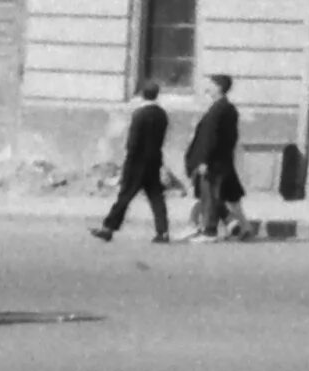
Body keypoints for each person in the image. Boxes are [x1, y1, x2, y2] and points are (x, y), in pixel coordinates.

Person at [91, 80, 175, 244]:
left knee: (125, 195)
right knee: (156, 197)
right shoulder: (162, 115)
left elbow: (133, 143)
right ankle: (163, 231)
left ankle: (108, 228)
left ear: (143, 94)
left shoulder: (139, 115)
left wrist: (127, 164)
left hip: (137, 162)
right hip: (154, 160)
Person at [185, 73, 251, 241]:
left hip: (214, 162)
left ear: (219, 88)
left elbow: (211, 138)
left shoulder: (219, 110)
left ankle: (209, 231)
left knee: (210, 197)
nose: (208, 88)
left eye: (211, 85)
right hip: (222, 161)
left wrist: (203, 160)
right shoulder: (224, 108)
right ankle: (240, 227)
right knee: (227, 196)